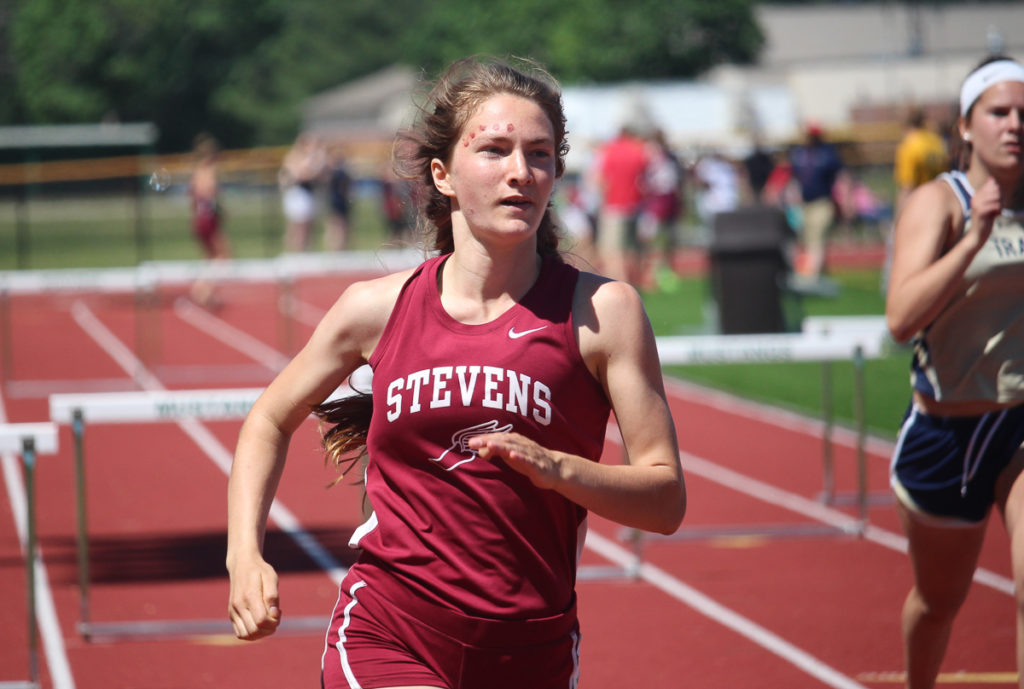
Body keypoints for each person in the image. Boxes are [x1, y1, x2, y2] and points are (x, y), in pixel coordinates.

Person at [226, 55, 686, 689]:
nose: (520, 173)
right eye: (494, 150)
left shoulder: (603, 312)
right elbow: (269, 418)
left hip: (534, 649)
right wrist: (244, 554)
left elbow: (665, 501)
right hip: (389, 630)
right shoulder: (377, 309)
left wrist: (557, 470)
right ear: (442, 174)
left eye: (540, 154)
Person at [885, 55, 1024, 689]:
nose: (1015, 124)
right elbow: (901, 318)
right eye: (999, 112)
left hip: (1017, 422)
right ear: (967, 126)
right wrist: (972, 242)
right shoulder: (939, 202)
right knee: (939, 602)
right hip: (947, 434)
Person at [882, 107, 951, 291]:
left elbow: (907, 187)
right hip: (940, 207)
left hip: (917, 210)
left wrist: (898, 220)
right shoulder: (936, 142)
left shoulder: (909, 145)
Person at [594, 123, 650, 283]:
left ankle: (620, 286)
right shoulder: (639, 150)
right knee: (632, 251)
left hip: (613, 206)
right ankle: (634, 285)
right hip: (635, 206)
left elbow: (600, 179)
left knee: (613, 253)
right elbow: (646, 181)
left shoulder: (609, 150)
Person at [789, 122, 843, 279]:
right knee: (805, 238)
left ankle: (812, 277)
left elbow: (840, 176)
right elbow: (795, 178)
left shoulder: (828, 153)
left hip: (822, 202)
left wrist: (844, 200)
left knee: (817, 237)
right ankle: (816, 272)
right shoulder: (799, 153)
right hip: (803, 203)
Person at [188, 133, 230, 306]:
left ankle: (203, 289)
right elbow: (208, 193)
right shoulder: (210, 170)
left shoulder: (196, 170)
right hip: (208, 217)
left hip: (199, 218)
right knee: (223, 255)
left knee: (209, 255)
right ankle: (203, 289)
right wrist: (221, 209)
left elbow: (194, 197)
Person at [279, 133, 327, 251]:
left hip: (308, 192)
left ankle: (304, 250)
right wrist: (313, 173)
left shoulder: (313, 157)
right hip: (298, 193)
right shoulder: (295, 156)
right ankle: (295, 252)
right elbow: (300, 174)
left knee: (308, 226)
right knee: (297, 226)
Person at [325, 141, 353, 251]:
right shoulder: (331, 169)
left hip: (343, 200)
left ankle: (342, 247)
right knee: (335, 225)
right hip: (335, 199)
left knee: (344, 225)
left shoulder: (344, 169)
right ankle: (334, 248)